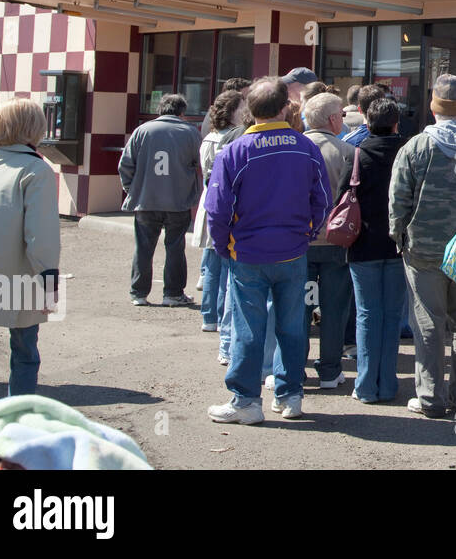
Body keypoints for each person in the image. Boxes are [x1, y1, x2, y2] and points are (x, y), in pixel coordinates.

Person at [205, 77, 330, 425]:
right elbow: (322, 201)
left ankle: (246, 400)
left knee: (249, 328)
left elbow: (217, 210)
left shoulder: (234, 151)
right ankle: (290, 395)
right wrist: (306, 233)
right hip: (291, 251)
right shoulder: (305, 147)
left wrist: (223, 246)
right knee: (292, 326)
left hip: (247, 253)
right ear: (284, 108)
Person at [388, 74, 456, 418]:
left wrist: (397, 235)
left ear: (433, 105)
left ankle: (431, 396)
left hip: (424, 249)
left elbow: (398, 198)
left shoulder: (417, 147)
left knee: (428, 323)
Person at [0, 99, 60, 397]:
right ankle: (17, 419)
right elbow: (41, 233)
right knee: (25, 354)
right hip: (21, 275)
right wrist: (50, 278)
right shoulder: (36, 169)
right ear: (34, 128)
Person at [119, 93, 202, 308]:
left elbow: (125, 165)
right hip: (178, 201)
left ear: (160, 109)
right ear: (182, 112)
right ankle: (173, 294)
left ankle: (139, 293)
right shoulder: (190, 132)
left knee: (143, 248)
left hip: (146, 200)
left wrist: (133, 190)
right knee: (175, 247)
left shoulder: (142, 131)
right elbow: (198, 164)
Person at [348, 99, 407, 404]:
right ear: (397, 123)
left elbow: (343, 196)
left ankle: (367, 384)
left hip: (364, 242)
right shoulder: (409, 150)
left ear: (367, 123)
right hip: (399, 244)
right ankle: (388, 383)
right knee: (393, 314)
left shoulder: (358, 153)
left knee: (368, 314)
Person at [301, 92, 357, 390]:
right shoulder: (347, 151)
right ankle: (330, 370)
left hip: (300, 243)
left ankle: (295, 367)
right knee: (335, 310)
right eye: (342, 116)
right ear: (333, 119)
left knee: (299, 309)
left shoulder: (296, 148)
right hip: (336, 242)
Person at [194, 91, 243, 339]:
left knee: (211, 266)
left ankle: (208, 316)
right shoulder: (235, 140)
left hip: (208, 201)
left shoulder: (209, 138)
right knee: (225, 269)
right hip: (224, 203)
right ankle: (223, 318)